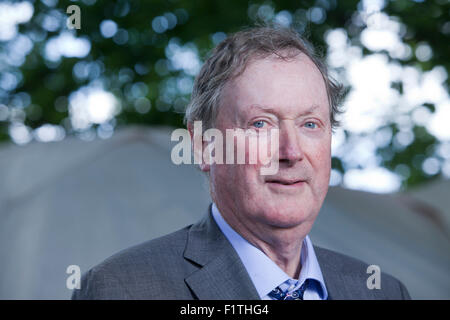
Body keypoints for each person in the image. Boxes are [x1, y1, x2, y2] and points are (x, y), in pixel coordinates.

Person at [72, 26, 411, 300]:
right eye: (261, 124)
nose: (291, 152)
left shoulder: (384, 292)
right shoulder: (119, 289)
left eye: (310, 124)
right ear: (205, 146)